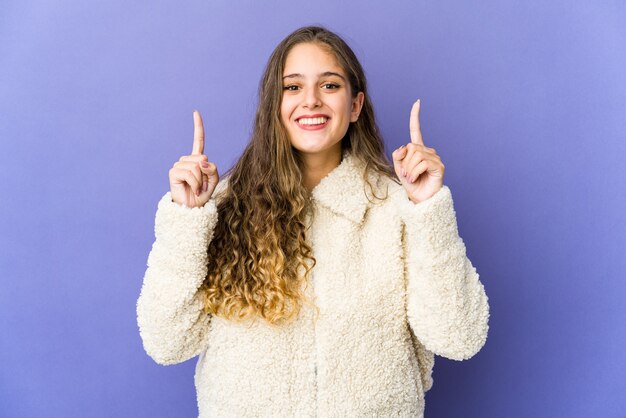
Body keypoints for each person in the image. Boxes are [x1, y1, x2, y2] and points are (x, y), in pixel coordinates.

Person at [136, 25, 489, 418]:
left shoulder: (399, 208)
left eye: (330, 86)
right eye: (292, 87)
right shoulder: (219, 206)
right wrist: (187, 220)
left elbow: (459, 337)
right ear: (274, 104)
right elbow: (166, 343)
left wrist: (428, 209)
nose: (311, 101)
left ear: (355, 106)